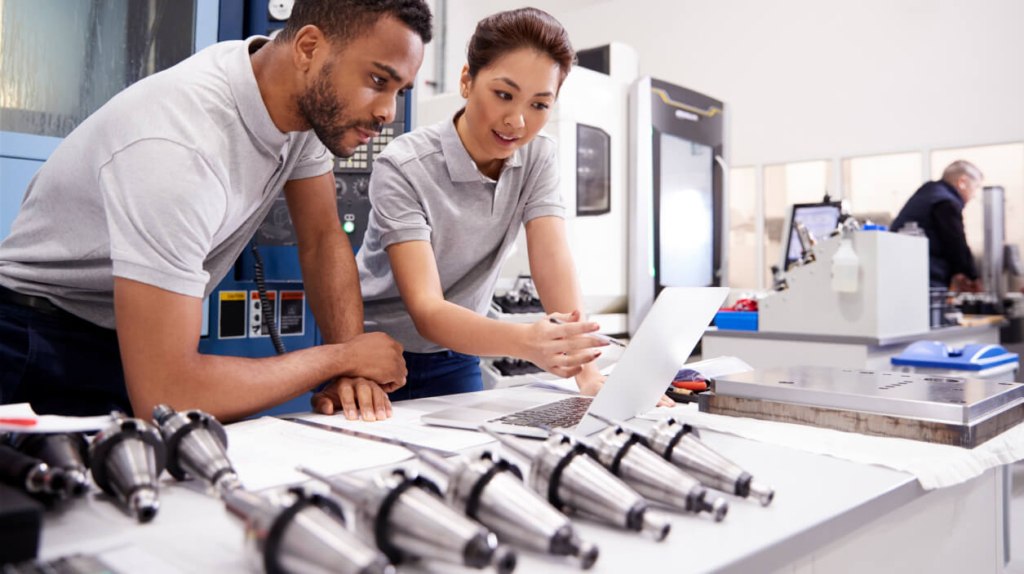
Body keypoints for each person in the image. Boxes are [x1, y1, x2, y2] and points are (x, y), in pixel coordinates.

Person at [0, 0, 434, 422]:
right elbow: (167, 396)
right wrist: (338, 357)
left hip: (119, 336)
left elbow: (322, 238)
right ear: (308, 48)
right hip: (33, 341)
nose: (386, 113)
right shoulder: (179, 148)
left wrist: (351, 370)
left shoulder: (292, 99)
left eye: (400, 91)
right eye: (378, 80)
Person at [313, 7, 673, 419]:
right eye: (504, 94)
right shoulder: (405, 165)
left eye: (540, 104)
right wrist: (525, 341)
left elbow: (552, 261)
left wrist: (587, 372)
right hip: (377, 357)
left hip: (459, 354)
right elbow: (427, 309)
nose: (517, 121)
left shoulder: (538, 158)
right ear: (467, 80)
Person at [891, 160, 984, 292]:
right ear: (962, 182)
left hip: (901, 272)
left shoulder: (928, 193)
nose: (974, 195)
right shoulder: (945, 201)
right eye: (976, 187)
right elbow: (956, 242)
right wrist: (973, 277)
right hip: (926, 277)